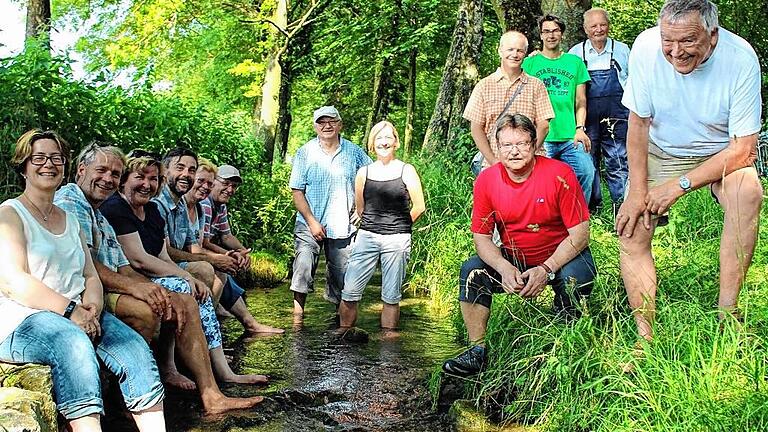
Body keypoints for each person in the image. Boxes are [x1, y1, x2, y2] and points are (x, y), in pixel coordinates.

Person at [54, 144, 263, 413]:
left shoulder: (101, 213)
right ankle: (127, 393)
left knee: (184, 300)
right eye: (102, 171)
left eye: (114, 174)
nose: (108, 179)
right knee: (149, 309)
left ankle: (211, 394)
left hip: (107, 285)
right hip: (83, 294)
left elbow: (125, 266)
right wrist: (141, 288)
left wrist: (150, 287)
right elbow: (90, 266)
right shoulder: (74, 201)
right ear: (81, 170)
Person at [616, 0, 762, 341]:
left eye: (687, 41)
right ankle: (645, 336)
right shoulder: (645, 47)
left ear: (712, 35)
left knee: (748, 193)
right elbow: (637, 124)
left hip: (720, 152)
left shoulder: (740, 58)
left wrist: (679, 185)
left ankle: (729, 313)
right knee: (631, 227)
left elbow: (743, 149)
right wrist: (638, 191)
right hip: (661, 148)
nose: (676, 52)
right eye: (669, 40)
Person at [0, 130, 165, 431]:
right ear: (24, 165)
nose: (48, 164)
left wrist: (91, 306)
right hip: (25, 319)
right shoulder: (10, 214)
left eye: (56, 158)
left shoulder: (70, 218)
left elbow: (90, 273)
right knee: (74, 345)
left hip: (78, 312)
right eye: (39, 157)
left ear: (65, 165)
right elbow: (14, 281)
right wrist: (71, 311)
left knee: (135, 349)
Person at [442, 114, 595, 377]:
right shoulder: (487, 180)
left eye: (522, 144)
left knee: (574, 280)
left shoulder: (560, 174)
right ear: (497, 148)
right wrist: (502, 266)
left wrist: (546, 269)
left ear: (535, 144)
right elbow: (482, 237)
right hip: (515, 256)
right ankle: (476, 351)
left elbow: (580, 234)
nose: (514, 151)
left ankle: (565, 346)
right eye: (506, 145)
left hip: (562, 255)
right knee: (472, 271)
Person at [100, 152, 267, 385]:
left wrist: (189, 277)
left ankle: (219, 369)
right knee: (189, 285)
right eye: (140, 177)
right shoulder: (117, 207)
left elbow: (163, 255)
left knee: (195, 287)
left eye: (153, 179)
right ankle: (198, 371)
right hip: (127, 280)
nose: (147, 184)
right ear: (125, 180)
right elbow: (139, 260)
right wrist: (187, 276)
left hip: (147, 275)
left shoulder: (152, 211)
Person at [337, 121, 426, 338]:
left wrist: (400, 226)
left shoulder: (407, 170)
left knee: (391, 295)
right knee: (349, 292)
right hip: (367, 236)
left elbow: (419, 206)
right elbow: (361, 209)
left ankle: (389, 344)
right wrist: (376, 226)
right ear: (372, 144)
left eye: (388, 138)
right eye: (379, 138)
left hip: (397, 239)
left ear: (396, 142)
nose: (383, 142)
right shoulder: (363, 172)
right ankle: (344, 336)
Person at [288, 106, 372, 319]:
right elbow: (297, 191)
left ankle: (340, 322)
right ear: (315, 126)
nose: (327, 126)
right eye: (321, 122)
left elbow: (372, 179)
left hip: (343, 223)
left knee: (341, 276)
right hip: (309, 222)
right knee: (303, 267)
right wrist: (312, 222)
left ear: (340, 124)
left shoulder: (354, 152)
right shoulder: (304, 153)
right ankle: (298, 320)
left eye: (332, 121)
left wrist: (362, 210)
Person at [190, 160, 283, 334]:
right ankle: (218, 325)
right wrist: (228, 255)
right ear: (214, 183)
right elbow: (202, 243)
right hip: (193, 254)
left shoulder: (220, 205)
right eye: (225, 184)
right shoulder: (205, 204)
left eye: (234, 186)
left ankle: (240, 321)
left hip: (199, 251)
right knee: (221, 269)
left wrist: (243, 251)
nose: (230, 190)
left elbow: (226, 235)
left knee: (225, 268)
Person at [523, 14, 596, 203]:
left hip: (569, 135)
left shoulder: (574, 63)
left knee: (586, 172)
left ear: (562, 34)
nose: (551, 35)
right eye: (546, 31)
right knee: (538, 181)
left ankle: (577, 218)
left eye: (555, 30)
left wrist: (579, 129)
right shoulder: (529, 64)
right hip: (541, 135)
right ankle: (546, 219)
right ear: (540, 35)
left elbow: (581, 101)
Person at [464, 30, 555, 173]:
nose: (515, 54)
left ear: (525, 53)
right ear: (500, 51)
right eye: (510, 49)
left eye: (520, 50)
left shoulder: (536, 85)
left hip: (532, 164)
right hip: (493, 163)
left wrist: (528, 155)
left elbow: (544, 126)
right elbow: (476, 129)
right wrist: (493, 161)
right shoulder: (484, 85)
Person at [568, 8, 631, 213]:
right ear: (586, 30)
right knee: (588, 160)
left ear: (608, 25)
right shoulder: (576, 53)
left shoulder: (622, 49)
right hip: (585, 114)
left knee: (618, 159)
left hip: (617, 114)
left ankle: (621, 208)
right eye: (593, 26)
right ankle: (591, 209)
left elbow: (633, 83)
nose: (598, 29)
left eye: (602, 24)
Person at [152, 148, 225, 303]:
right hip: (157, 266)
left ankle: (203, 323)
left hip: (172, 262)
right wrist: (213, 261)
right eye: (180, 168)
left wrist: (222, 258)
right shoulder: (157, 203)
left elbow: (193, 247)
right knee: (203, 269)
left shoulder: (181, 204)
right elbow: (164, 253)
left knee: (217, 277)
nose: (186, 174)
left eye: (192, 170)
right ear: (165, 171)